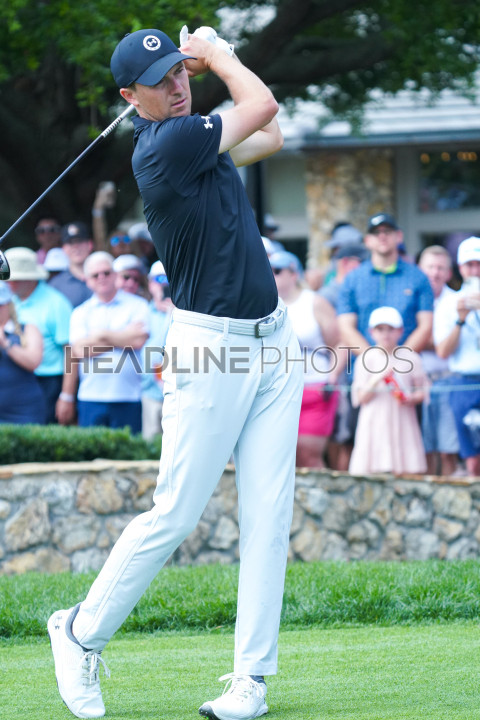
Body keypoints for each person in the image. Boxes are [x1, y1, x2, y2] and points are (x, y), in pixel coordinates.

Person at [47, 26, 303, 720]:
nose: (178, 86)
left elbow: (268, 136)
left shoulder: (195, 138)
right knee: (177, 512)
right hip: (210, 348)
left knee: (269, 514)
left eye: (181, 72)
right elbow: (263, 105)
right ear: (130, 98)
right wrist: (220, 56)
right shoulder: (165, 146)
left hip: (274, 340)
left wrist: (213, 68)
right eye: (160, 82)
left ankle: (250, 681)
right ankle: (79, 632)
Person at [270, 249, 338, 468]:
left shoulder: (314, 302)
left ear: (293, 274)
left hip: (314, 387)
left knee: (308, 455)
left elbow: (338, 344)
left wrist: (332, 378)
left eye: (277, 270)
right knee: (281, 458)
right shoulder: (264, 305)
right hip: (277, 390)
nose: (271, 274)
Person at [68, 251, 149, 434]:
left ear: (115, 275)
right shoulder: (80, 312)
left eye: (106, 272)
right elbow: (80, 350)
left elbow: (138, 340)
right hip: (90, 397)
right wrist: (123, 337)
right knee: (91, 451)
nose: (101, 277)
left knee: (129, 451)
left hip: (129, 397)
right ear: (87, 280)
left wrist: (101, 335)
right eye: (95, 275)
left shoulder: (138, 305)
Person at [337, 212, 434, 355]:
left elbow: (425, 326)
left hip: (406, 364)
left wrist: (399, 359)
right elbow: (346, 327)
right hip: (364, 364)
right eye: (376, 232)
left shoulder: (418, 277)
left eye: (387, 231)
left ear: (399, 236)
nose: (382, 236)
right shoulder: (352, 279)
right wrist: (373, 360)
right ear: (367, 240)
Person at [349, 306, 428, 475]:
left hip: (402, 419)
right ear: (372, 332)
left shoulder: (411, 358)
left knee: (406, 469)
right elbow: (361, 397)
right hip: (374, 421)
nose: (386, 334)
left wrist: (411, 398)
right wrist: (378, 378)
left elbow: (423, 390)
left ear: (400, 331)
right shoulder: (365, 359)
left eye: (390, 329)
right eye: (380, 329)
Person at [5, 247, 75, 425]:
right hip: (16, 381)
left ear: (31, 278)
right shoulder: (8, 301)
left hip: (49, 382)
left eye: (15, 280)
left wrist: (67, 395)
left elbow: (70, 352)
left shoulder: (56, 303)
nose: (9, 284)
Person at [318, 243, 369, 471]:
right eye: (362, 262)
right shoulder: (327, 295)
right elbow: (335, 339)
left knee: (349, 436)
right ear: (346, 263)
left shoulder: (358, 288)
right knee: (339, 435)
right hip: (335, 373)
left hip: (353, 371)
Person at [434, 236, 480, 476]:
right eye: (470, 265)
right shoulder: (448, 303)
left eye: (479, 264)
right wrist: (460, 320)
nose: (475, 271)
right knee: (472, 459)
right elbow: (443, 351)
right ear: (460, 268)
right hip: (463, 383)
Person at [417, 245, 459, 475]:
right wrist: (440, 340)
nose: (435, 273)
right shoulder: (412, 298)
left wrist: (424, 339)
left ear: (449, 273)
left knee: (448, 449)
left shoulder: (457, 301)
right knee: (422, 449)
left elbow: (455, 344)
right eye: (430, 267)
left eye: (440, 268)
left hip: (448, 380)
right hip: (416, 383)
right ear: (419, 269)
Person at [0, 281, 45, 424]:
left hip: (24, 411)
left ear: (8, 305)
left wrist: (6, 344)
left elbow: (34, 362)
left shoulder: (28, 329)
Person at [141, 261, 174, 439]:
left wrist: (173, 313)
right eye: (160, 279)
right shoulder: (143, 312)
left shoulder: (185, 313)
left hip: (177, 394)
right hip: (150, 393)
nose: (164, 284)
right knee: (150, 446)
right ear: (150, 283)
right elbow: (154, 351)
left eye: (169, 279)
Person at [48, 222, 94, 308]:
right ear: (63, 248)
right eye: (70, 243)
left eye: (80, 241)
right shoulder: (55, 285)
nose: (75, 247)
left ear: (90, 244)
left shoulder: (105, 276)